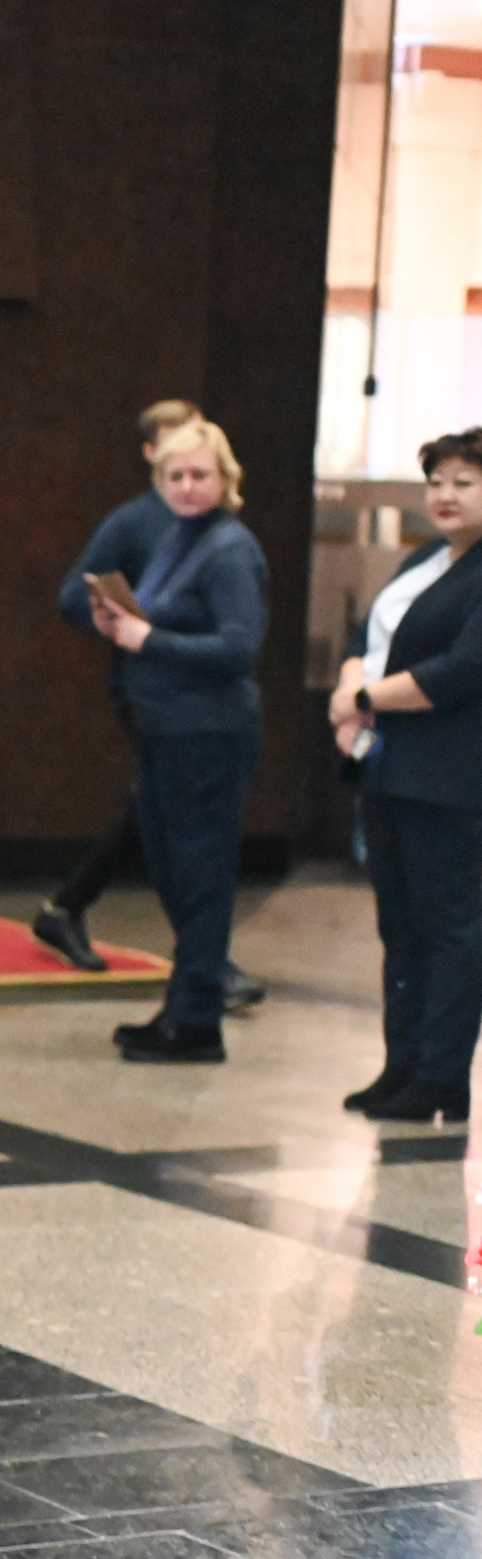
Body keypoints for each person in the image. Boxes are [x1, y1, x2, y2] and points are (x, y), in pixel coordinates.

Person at [35, 402, 268, 1011]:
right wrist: (118, 620)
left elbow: (239, 646)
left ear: (225, 479)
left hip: (204, 725)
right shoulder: (165, 534)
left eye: (199, 474)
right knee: (171, 862)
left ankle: (197, 1006)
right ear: (155, 472)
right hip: (162, 715)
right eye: (176, 475)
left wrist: (148, 638)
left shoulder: (226, 548)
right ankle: (188, 1002)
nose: (187, 486)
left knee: (196, 868)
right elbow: (79, 599)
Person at [329, 427, 482, 1124]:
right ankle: (403, 1063)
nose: (445, 496)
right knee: (401, 925)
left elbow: (460, 672)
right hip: (389, 768)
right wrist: (349, 685)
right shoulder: (423, 559)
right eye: (438, 482)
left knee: (451, 927)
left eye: (464, 482)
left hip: (452, 776)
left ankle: (442, 1073)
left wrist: (363, 699)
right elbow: (368, 637)